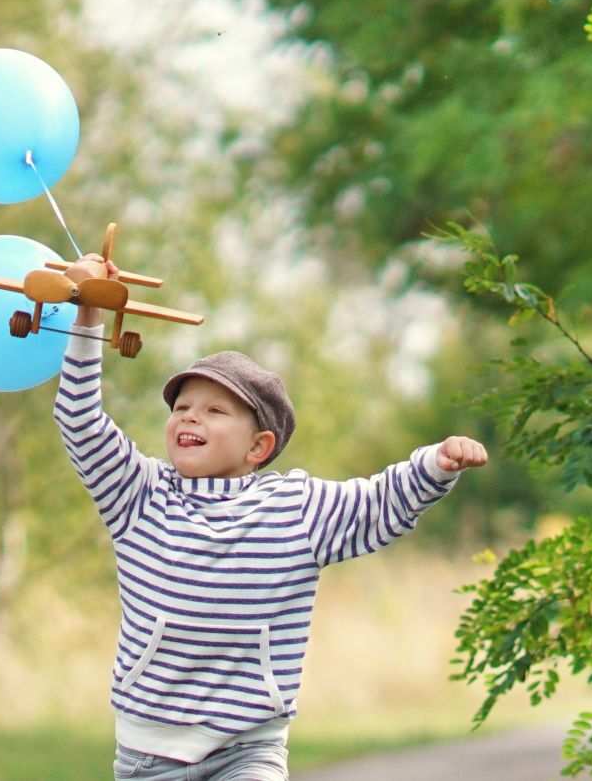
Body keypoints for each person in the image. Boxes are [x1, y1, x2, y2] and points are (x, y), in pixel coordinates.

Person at [54, 254, 489, 780]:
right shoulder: (139, 495)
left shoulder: (295, 510)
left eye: (215, 411)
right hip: (149, 752)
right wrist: (87, 319)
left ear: (260, 445)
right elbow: (81, 422)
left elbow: (375, 504)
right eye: (181, 408)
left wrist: (434, 465)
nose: (189, 417)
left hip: (248, 749)